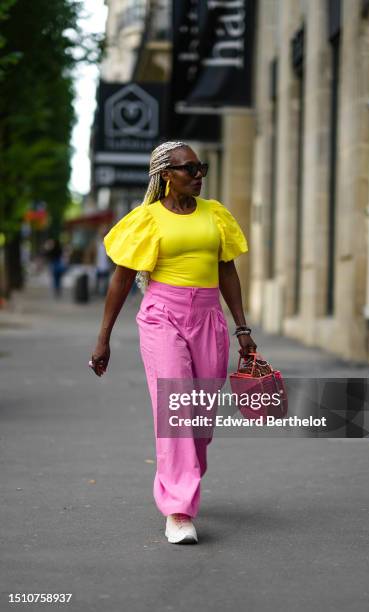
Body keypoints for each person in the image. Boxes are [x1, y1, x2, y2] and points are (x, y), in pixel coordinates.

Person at [89, 141, 257, 544]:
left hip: (209, 318)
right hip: (162, 316)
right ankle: (178, 509)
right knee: (177, 408)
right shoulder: (147, 220)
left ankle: (183, 477)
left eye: (200, 168)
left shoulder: (214, 215)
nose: (198, 175)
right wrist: (104, 338)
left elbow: (227, 272)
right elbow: (122, 279)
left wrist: (242, 328)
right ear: (166, 175)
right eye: (188, 169)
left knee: (200, 417)